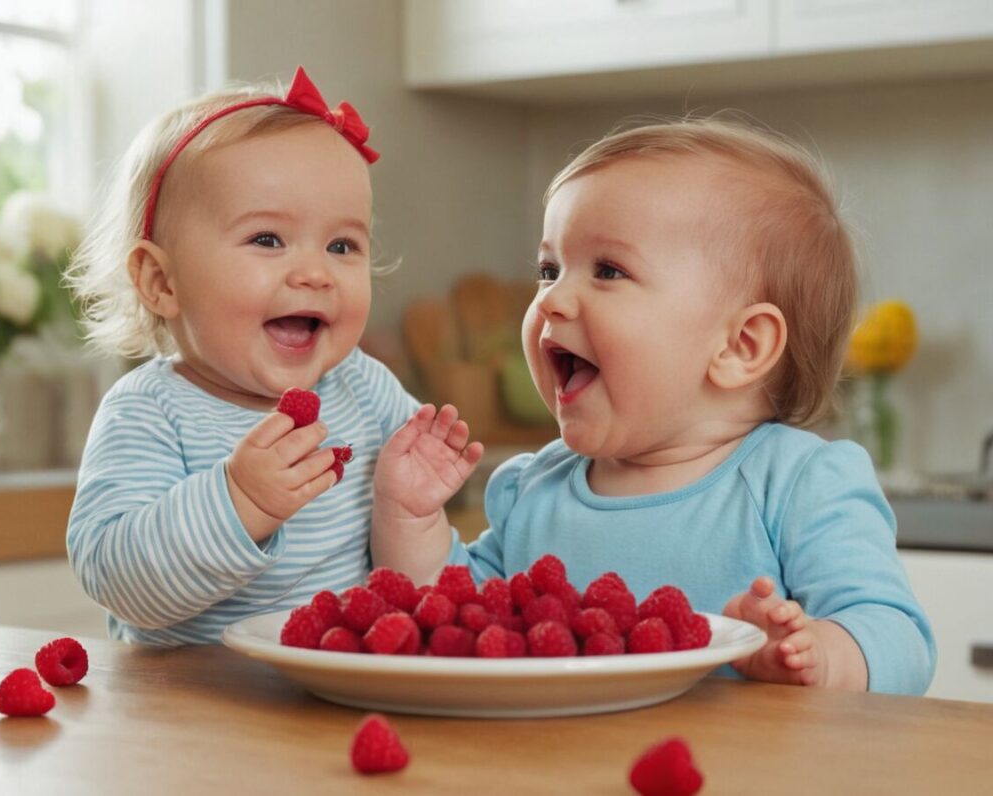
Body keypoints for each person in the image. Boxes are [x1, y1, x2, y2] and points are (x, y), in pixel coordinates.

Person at [371, 117, 936, 695]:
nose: (553, 299)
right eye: (549, 270)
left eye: (609, 271)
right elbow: (449, 625)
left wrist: (816, 655)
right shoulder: (532, 490)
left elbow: (900, 641)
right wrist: (412, 522)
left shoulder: (799, 485)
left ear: (740, 347)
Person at [65, 67, 482, 646]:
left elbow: (418, 590)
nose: (315, 272)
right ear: (161, 281)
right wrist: (239, 501)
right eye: (267, 239)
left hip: (343, 698)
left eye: (342, 245)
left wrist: (410, 512)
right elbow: (115, 578)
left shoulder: (366, 390)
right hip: (194, 718)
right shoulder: (149, 411)